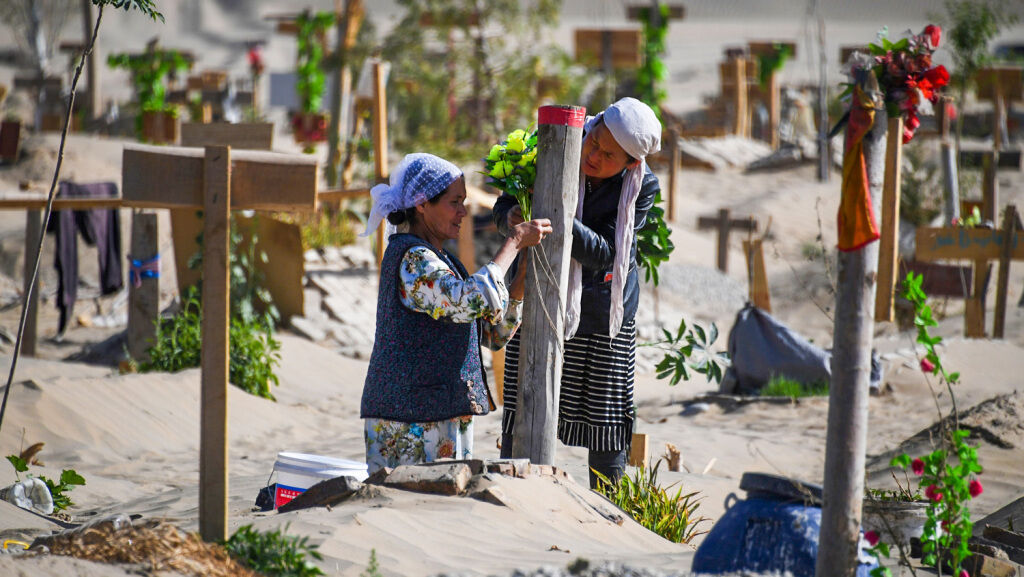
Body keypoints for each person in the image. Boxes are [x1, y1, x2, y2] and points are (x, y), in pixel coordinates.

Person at [493, 97, 662, 489]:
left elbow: (606, 252)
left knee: (605, 420)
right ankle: (515, 492)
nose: (593, 155)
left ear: (630, 165)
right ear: (594, 124)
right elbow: (503, 208)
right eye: (594, 142)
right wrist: (513, 217)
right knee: (524, 403)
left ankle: (606, 507)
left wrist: (559, 213)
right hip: (538, 292)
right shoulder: (552, 144)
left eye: (608, 155)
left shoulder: (642, 186)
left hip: (605, 310)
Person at [360, 153, 552, 474]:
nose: (463, 211)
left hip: (438, 417)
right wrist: (515, 241)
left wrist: (519, 280)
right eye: (454, 202)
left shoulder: (440, 259)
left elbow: (490, 334)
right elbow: (469, 301)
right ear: (422, 204)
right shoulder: (412, 259)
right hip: (408, 421)